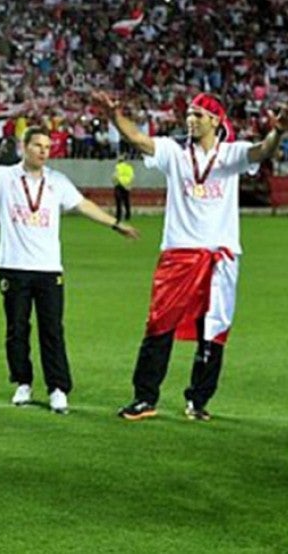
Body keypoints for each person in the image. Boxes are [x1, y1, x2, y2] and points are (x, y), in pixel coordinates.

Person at [97, 90, 285, 421]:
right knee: (159, 323)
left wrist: (279, 131)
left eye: (198, 115)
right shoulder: (174, 152)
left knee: (214, 328)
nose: (191, 119)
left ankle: (198, 401)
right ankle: (145, 397)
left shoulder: (232, 154)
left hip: (220, 256)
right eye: (189, 114)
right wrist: (115, 116)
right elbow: (140, 140)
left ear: (215, 120)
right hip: (179, 253)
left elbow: (262, 150)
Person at [0, 128, 138, 415]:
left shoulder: (57, 181)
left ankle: (58, 388)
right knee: (17, 329)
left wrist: (115, 224)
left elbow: (83, 204)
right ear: (24, 146)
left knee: (52, 330)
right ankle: (23, 382)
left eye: (48, 146)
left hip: (48, 268)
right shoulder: (5, 176)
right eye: (38, 145)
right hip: (13, 267)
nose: (44, 151)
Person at [112, 157, 134, 222]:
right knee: (126, 202)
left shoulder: (118, 166)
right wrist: (129, 185)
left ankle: (118, 216)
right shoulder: (129, 167)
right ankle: (128, 215)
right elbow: (132, 176)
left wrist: (114, 181)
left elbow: (115, 176)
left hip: (119, 185)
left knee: (119, 202)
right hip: (127, 186)